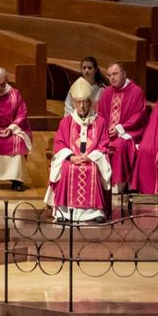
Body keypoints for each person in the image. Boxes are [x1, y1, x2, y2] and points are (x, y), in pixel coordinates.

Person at [45, 78, 112, 223]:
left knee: (93, 169)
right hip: (72, 159)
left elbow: (104, 144)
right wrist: (71, 157)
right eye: (78, 102)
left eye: (85, 102)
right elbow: (59, 144)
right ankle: (64, 211)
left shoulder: (100, 122)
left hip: (92, 160)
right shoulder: (66, 122)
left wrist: (90, 157)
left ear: (90, 102)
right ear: (74, 103)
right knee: (68, 168)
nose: (82, 106)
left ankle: (95, 211)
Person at [98, 61, 148, 193]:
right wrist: (103, 129)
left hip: (129, 133)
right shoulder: (107, 93)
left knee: (119, 145)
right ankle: (102, 182)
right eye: (109, 75)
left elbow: (139, 115)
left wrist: (120, 128)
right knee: (99, 145)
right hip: (108, 133)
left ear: (124, 74)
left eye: (115, 74)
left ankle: (119, 184)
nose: (112, 78)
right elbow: (101, 115)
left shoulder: (136, 91)